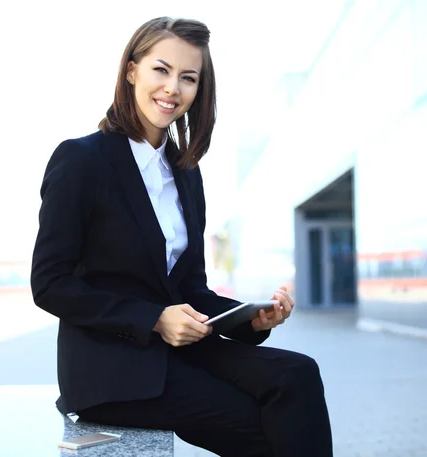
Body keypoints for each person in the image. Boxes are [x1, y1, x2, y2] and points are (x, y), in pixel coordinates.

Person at [31, 17, 332, 457]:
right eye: (161, 69)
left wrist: (250, 318)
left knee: (298, 373)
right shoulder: (81, 160)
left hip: (179, 352)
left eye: (187, 77)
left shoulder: (186, 173)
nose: (173, 88)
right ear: (131, 71)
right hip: (111, 369)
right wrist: (154, 319)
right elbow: (50, 284)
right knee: (261, 425)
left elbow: (189, 288)